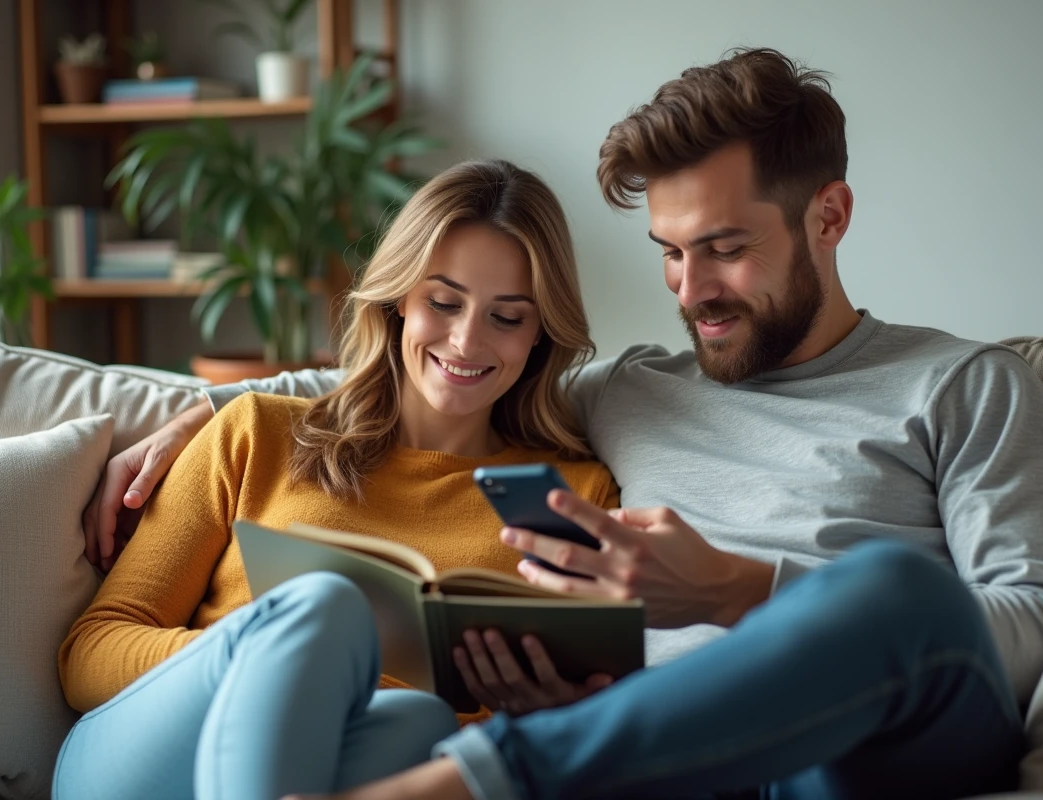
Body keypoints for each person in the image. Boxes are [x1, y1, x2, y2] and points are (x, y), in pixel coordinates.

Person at [88, 49, 1043, 800]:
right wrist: (200, 406)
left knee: (893, 588)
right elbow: (447, 371)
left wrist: (747, 590)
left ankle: (474, 782)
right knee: (407, 714)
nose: (691, 291)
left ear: (828, 216)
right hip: (657, 760)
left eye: (725, 247)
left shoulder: (969, 386)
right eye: (668, 251)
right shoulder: (631, 388)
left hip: (867, 747)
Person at [55, 160, 621, 800]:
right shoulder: (255, 432)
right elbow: (91, 652)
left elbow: (580, 726)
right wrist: (273, 662)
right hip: (144, 757)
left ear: (542, 331)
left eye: (508, 317)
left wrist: (549, 705)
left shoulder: (574, 499)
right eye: (443, 302)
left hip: (370, 771)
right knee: (326, 607)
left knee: (421, 720)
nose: (466, 341)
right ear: (399, 299)